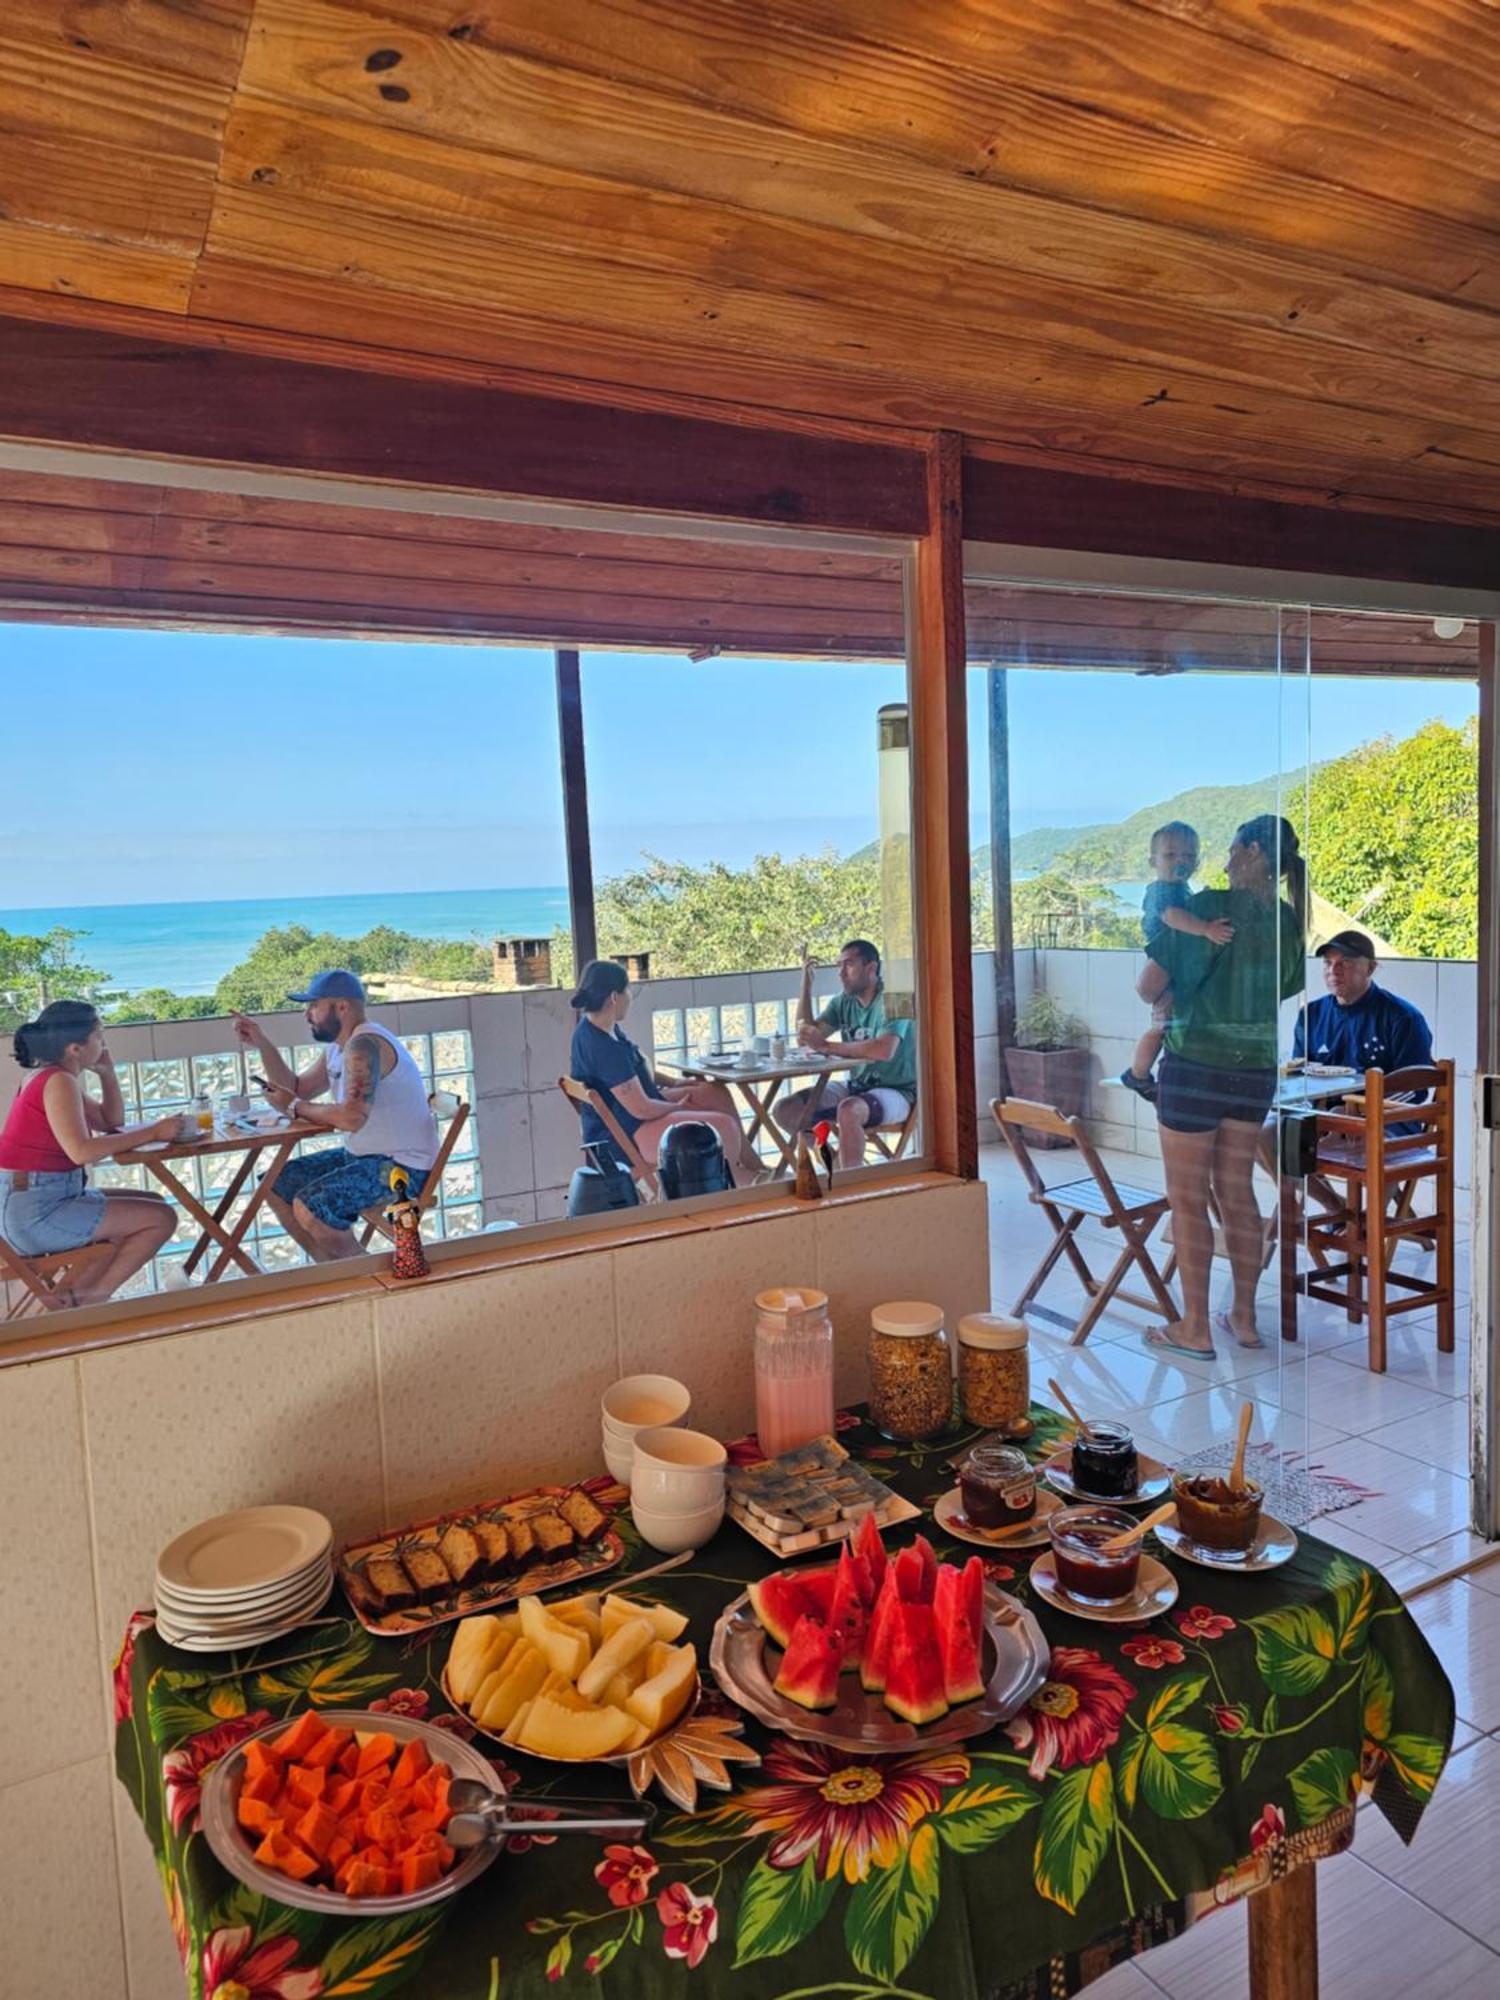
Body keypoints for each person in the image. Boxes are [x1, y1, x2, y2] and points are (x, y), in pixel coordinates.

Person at [1137, 815, 1307, 1359]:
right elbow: (1283, 987)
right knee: (1238, 1191)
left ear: (1253, 850)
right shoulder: (1284, 918)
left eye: (1233, 848)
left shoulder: (1208, 907)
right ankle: (1245, 1318)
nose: (1225, 858)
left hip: (1196, 1068)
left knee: (1188, 1200)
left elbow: (1148, 986)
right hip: (1254, 1069)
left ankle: (1194, 1327)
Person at [232, 970, 440, 1262]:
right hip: (364, 1157)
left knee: (312, 1208)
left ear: (342, 1007)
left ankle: (366, 1278)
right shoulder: (339, 1047)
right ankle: (332, 1271)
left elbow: (351, 1118)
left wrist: (294, 1107)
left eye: (314, 1006)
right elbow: (297, 1088)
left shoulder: (364, 1046)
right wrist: (262, 1043)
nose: (307, 1015)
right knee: (275, 1183)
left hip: (402, 1168)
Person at [0, 1000, 180, 1306]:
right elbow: (82, 1152)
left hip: (34, 1200)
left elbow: (111, 1122)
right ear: (75, 1048)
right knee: (161, 1218)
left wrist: (107, 1074)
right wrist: (153, 1132)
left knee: (154, 1203)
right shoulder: (58, 1082)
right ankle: (90, 1303)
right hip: (33, 1214)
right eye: (99, 1036)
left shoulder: (54, 1077)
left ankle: (72, 1300)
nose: (104, 1043)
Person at [568, 959, 762, 1186]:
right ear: (613, 998)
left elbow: (636, 1068)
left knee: (715, 1092)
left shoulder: (601, 1025)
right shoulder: (603, 1048)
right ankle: (734, 1183)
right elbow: (642, 1109)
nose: (630, 997)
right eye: (627, 990)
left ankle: (752, 1166)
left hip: (632, 1113)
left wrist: (675, 1083)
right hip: (626, 1135)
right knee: (724, 1126)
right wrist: (677, 1107)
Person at [775, 940, 917, 1169]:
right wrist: (806, 986)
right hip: (856, 1085)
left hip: (899, 1091)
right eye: (839, 966)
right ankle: (833, 1163)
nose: (841, 973)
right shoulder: (843, 1002)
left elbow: (884, 1049)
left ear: (871, 968)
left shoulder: (897, 998)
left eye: (848, 965)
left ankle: (849, 1184)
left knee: (849, 1110)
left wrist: (827, 1047)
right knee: (786, 1110)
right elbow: (806, 1038)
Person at [1121, 821, 1235, 1101]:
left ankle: (1143, 1073)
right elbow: (1172, 916)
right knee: (1162, 1025)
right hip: (1165, 961)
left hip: (1175, 965)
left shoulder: (1183, 889)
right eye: (1171, 856)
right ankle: (1137, 1074)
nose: (1181, 861)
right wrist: (1206, 929)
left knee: (1167, 1024)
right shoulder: (1161, 891)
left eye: (1188, 855)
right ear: (1153, 861)